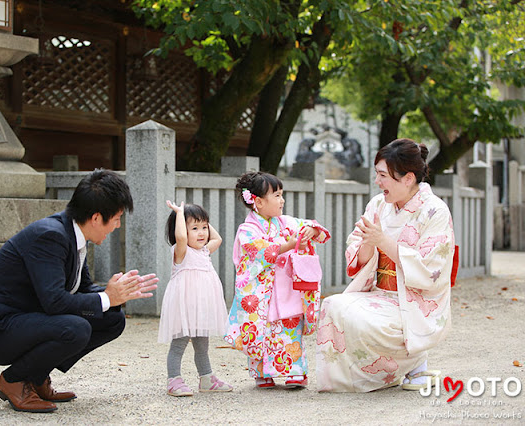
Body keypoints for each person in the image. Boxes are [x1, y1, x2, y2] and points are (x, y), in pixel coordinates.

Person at [0, 169, 159, 413]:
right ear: (96, 218)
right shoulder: (50, 236)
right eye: (117, 218)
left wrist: (117, 294)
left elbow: (83, 288)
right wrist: (106, 297)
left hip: (29, 321)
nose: (118, 225)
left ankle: (36, 377)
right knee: (76, 328)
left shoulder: (74, 233)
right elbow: (54, 302)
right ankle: (14, 380)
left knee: (113, 318)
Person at [315, 138, 455, 392]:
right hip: (379, 292)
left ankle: (414, 361)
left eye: (383, 175)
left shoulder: (435, 211)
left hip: (411, 299)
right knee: (333, 305)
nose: (377, 182)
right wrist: (369, 243)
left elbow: (431, 270)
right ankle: (353, 378)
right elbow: (359, 251)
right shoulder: (379, 204)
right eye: (376, 174)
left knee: (373, 324)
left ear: (408, 178)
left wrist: (384, 241)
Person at [224, 172, 330, 389]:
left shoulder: (286, 222)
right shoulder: (248, 229)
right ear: (259, 202)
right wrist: (289, 246)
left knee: (289, 328)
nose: (282, 200)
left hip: (287, 290)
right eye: (277, 196)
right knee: (263, 331)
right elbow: (258, 250)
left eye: (282, 195)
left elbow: (311, 227)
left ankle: (295, 372)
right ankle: (262, 373)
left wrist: (311, 230)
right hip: (262, 293)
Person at [158, 200, 233, 396]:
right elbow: (181, 237)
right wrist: (180, 213)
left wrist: (203, 221)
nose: (201, 233)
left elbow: (218, 238)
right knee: (179, 343)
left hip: (201, 307)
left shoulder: (204, 251)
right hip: (184, 307)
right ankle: (174, 380)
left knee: (202, 344)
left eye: (204, 227)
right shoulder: (180, 251)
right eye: (195, 228)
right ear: (181, 229)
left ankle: (206, 378)